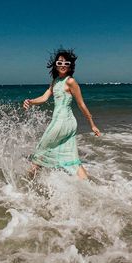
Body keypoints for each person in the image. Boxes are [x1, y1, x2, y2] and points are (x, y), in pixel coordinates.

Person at [23, 48, 101, 179]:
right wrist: (30, 101)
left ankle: (27, 181)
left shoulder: (70, 81)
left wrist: (92, 124)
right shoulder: (54, 82)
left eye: (66, 63)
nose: (63, 65)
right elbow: (43, 98)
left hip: (63, 121)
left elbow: (81, 104)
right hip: (64, 122)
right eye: (60, 63)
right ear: (55, 65)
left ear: (70, 65)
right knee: (72, 156)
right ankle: (88, 185)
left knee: (41, 148)